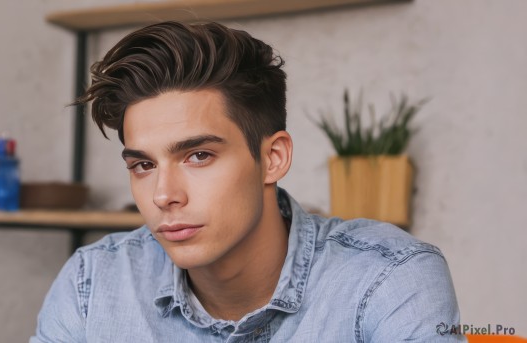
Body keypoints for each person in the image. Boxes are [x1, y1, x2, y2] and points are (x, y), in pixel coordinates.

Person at [31, 21, 463, 342]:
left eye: (198, 156)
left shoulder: (388, 279)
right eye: (143, 165)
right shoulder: (92, 283)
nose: (164, 195)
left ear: (272, 158)